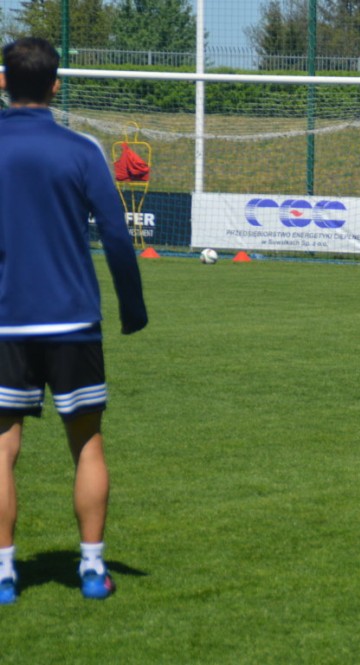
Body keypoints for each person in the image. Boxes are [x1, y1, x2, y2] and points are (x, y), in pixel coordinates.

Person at [0, 37, 148, 604]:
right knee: (87, 444)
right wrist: (132, 308)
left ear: (4, 83)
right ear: (56, 85)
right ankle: (91, 569)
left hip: (6, 322)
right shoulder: (82, 149)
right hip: (72, 320)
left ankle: (4, 574)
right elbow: (115, 233)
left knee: (2, 448)